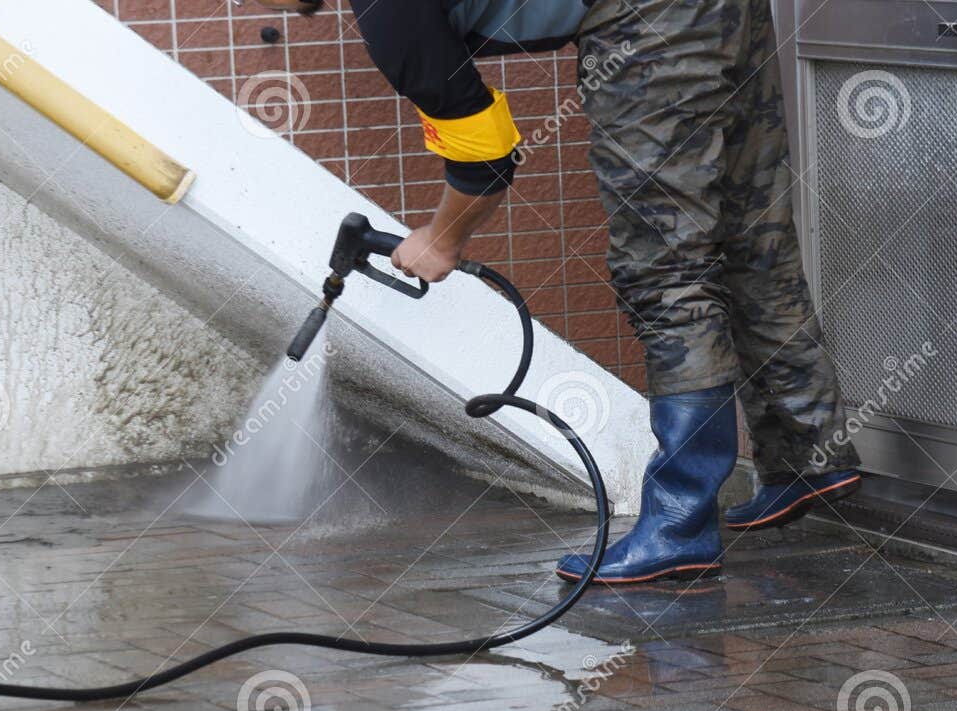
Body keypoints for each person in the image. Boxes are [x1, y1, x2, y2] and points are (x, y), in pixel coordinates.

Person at [256, 0, 861, 583]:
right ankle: (807, 454)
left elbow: (486, 159)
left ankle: (680, 527)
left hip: (651, 20)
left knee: (664, 270)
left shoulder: (392, 13)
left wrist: (441, 241)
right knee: (753, 233)